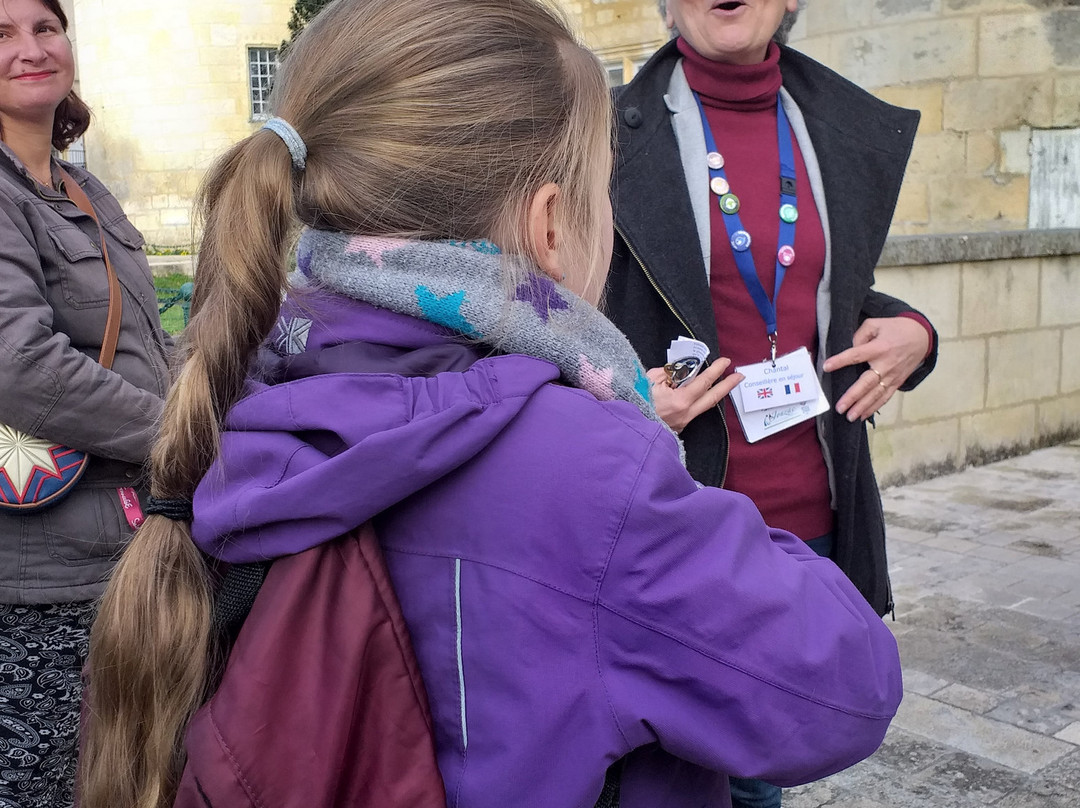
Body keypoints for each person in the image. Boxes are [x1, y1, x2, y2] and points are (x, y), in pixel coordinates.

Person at [80, 1, 903, 807]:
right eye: (603, 192)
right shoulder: (590, 472)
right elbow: (848, 690)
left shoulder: (253, 380)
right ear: (551, 227)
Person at [603, 2, 939, 806]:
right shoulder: (604, 131)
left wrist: (916, 332)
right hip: (679, 507)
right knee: (658, 770)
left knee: (761, 769)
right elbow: (554, 296)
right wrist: (621, 397)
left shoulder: (834, 123)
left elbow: (818, 293)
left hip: (812, 514)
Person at [0, 0, 170, 805]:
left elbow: (143, 343)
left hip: (122, 550)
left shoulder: (84, 187)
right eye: (0, 35)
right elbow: (19, 367)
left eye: (44, 26)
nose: (30, 49)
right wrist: (179, 433)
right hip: (36, 573)